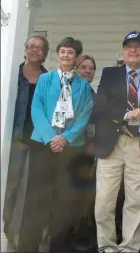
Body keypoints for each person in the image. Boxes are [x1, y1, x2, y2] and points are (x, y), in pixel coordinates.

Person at [17, 37, 93, 253]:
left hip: (71, 148)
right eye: (63, 51)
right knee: (37, 200)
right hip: (43, 145)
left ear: (77, 57)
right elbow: (37, 110)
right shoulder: (45, 80)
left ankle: (58, 248)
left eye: (71, 52)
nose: (66, 55)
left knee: (64, 203)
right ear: (57, 54)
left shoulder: (84, 87)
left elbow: (84, 116)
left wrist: (66, 138)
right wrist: (52, 138)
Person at [92, 31, 140, 253]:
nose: (133, 50)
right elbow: (100, 105)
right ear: (123, 50)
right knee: (104, 202)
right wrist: (126, 114)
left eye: (138, 46)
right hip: (112, 143)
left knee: (136, 202)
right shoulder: (109, 74)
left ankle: (130, 248)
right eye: (129, 46)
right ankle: (107, 247)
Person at [2, 33, 49, 247]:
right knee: (8, 187)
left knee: (24, 192)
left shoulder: (48, 79)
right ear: (24, 49)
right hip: (14, 138)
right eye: (31, 46)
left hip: (36, 141)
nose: (34, 50)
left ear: (45, 53)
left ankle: (15, 235)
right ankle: (4, 229)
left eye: (39, 47)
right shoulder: (13, 73)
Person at [70, 54, 98, 252]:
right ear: (75, 69)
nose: (88, 71)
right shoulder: (68, 91)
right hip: (70, 149)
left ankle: (82, 236)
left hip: (87, 152)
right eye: (84, 67)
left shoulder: (92, 93)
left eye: (91, 68)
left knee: (85, 196)